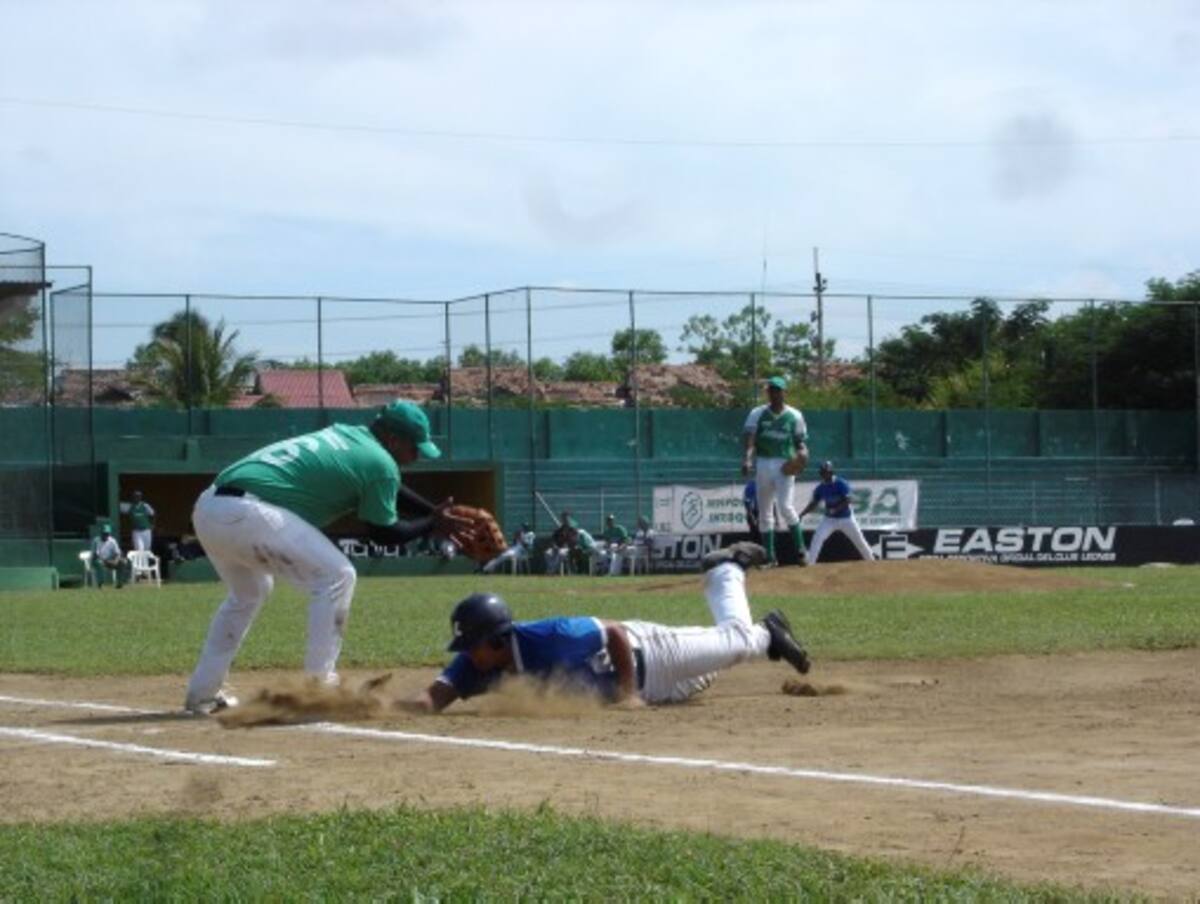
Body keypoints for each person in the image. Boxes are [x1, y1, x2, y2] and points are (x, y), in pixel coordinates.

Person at [183, 400, 466, 715]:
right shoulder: (380, 461)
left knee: (249, 593)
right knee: (338, 575)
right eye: (413, 449)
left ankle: (202, 694)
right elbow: (384, 533)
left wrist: (433, 512)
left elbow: (388, 487)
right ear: (393, 439)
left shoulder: (351, 437)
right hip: (248, 513)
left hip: (209, 508)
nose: (415, 458)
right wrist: (433, 523)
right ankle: (319, 690)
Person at [402, 541, 810, 713]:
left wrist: (628, 694)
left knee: (737, 643)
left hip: (649, 652)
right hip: (659, 689)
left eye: (473, 644)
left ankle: (744, 597)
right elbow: (431, 701)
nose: (468, 654)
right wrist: (375, 706)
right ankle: (725, 573)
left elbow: (613, 633)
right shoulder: (473, 666)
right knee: (714, 669)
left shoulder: (549, 635)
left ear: (498, 638)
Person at [742, 376, 809, 567]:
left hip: (784, 464)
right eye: (771, 390)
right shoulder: (757, 413)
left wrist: (802, 455)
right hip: (763, 462)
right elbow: (750, 438)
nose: (774, 393)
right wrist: (747, 458)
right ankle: (770, 557)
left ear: (784, 392)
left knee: (786, 506)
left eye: (777, 390)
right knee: (764, 511)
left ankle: (801, 551)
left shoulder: (795, 415)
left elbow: (800, 442)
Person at [798, 461, 875, 564]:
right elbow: (814, 504)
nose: (823, 474)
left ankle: (872, 562)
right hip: (829, 520)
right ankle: (810, 564)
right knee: (817, 538)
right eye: (822, 472)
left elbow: (848, 500)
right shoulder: (820, 488)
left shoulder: (841, 483)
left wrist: (835, 509)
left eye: (826, 472)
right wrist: (801, 514)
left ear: (831, 472)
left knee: (859, 541)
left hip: (846, 519)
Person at [90, 523, 125, 588]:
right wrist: (105, 561)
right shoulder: (96, 540)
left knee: (122, 562)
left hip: (109, 560)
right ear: (101, 533)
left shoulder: (112, 541)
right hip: (97, 560)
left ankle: (119, 583)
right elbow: (95, 555)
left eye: (107, 533)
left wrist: (116, 561)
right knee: (99, 563)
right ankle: (101, 584)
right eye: (104, 533)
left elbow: (118, 553)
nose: (106, 535)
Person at [742, 478, 761, 544]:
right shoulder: (751, 485)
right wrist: (752, 516)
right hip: (754, 511)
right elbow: (746, 502)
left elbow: (772, 503)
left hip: (762, 511)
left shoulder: (766, 484)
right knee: (754, 532)